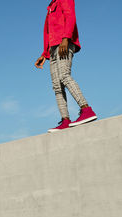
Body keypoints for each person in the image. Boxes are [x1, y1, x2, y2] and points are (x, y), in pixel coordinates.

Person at [35, 0, 97, 133]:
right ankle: (65, 120)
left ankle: (86, 109)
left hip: (64, 43)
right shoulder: (50, 7)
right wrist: (44, 54)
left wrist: (66, 38)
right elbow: (47, 33)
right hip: (52, 49)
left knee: (64, 76)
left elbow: (70, 16)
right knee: (57, 85)